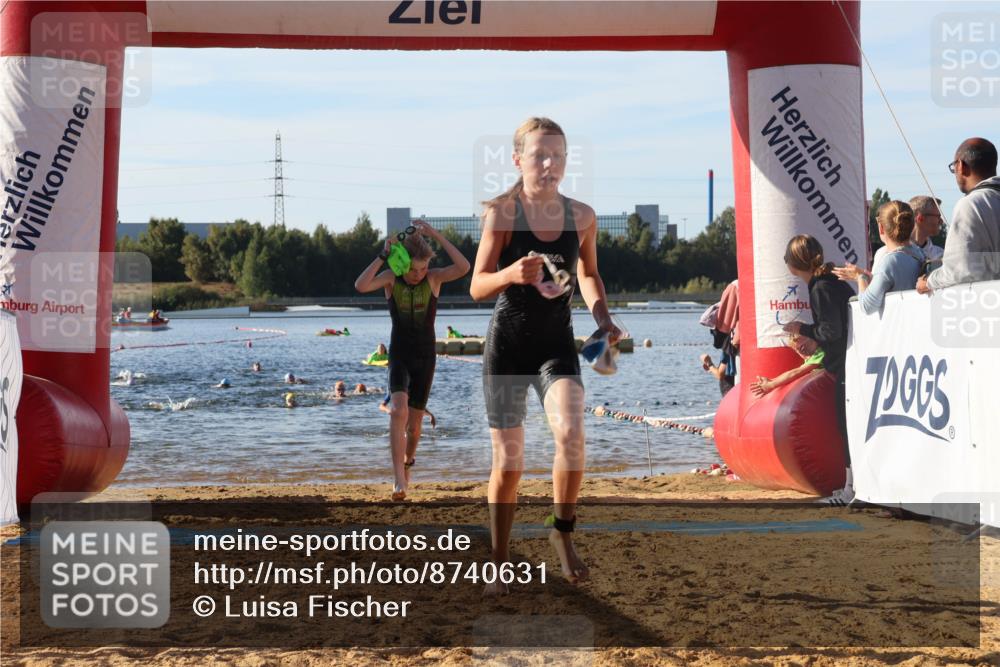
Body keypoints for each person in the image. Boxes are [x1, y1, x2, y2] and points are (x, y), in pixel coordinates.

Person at [470, 117, 621, 589]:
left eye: (558, 155)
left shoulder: (582, 216)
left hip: (556, 345)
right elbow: (476, 285)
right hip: (508, 347)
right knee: (509, 464)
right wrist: (510, 274)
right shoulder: (501, 214)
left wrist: (603, 319)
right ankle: (497, 556)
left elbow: (590, 273)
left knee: (572, 433)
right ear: (518, 159)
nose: (550, 164)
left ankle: (562, 534)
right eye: (540, 155)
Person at [355, 219, 470, 501]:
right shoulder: (391, 279)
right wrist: (384, 254)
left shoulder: (433, 279)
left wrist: (435, 235)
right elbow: (361, 285)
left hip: (426, 358)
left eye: (423, 268)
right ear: (401, 264)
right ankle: (398, 480)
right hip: (400, 354)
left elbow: (464, 267)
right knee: (397, 410)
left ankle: (408, 464)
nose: (419, 274)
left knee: (415, 427)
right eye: (413, 269)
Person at [781, 235, 856, 505]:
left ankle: (850, 490)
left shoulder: (821, 287)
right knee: (849, 427)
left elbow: (832, 329)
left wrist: (802, 329)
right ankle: (852, 487)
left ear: (793, 264)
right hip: (850, 361)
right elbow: (834, 328)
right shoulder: (830, 282)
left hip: (848, 366)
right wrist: (814, 340)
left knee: (847, 428)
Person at [918, 137, 1000, 293]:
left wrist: (928, 281)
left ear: (961, 166)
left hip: (987, 306)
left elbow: (959, 270)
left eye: (953, 167)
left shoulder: (971, 204)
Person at [834, 201, 924, 314]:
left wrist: (860, 277)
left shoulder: (890, 261)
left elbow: (867, 306)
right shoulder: (919, 253)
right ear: (912, 225)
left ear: (881, 227)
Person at [750, 336, 826, 397]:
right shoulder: (809, 359)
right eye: (798, 350)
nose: (802, 352)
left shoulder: (820, 352)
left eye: (803, 346)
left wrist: (771, 385)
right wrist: (771, 380)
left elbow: (796, 372)